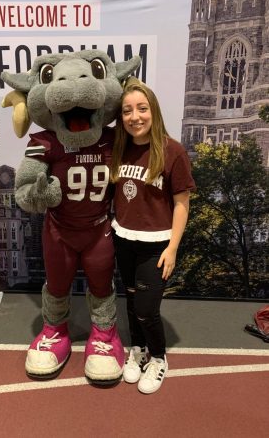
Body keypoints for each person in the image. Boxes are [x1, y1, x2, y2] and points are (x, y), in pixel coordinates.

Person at [110, 77, 196, 394]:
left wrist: (172, 248)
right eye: (127, 110)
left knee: (147, 309)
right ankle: (139, 349)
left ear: (153, 111)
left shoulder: (172, 151)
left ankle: (159, 358)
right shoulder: (120, 148)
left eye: (142, 109)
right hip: (124, 240)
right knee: (131, 302)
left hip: (156, 246)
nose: (135, 117)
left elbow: (182, 204)